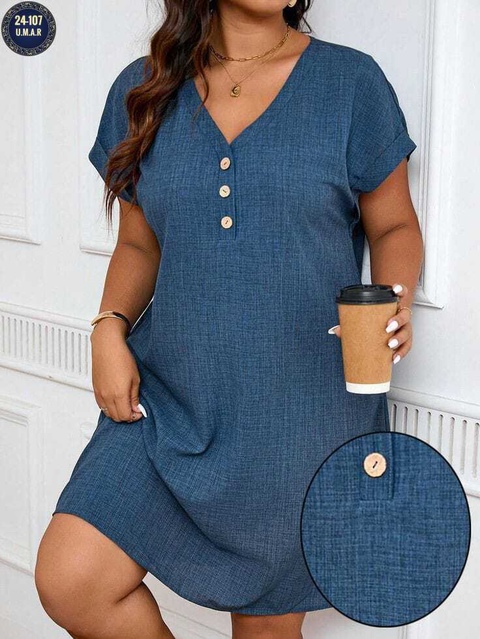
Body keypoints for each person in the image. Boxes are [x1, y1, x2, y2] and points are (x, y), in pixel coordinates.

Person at [34, 1, 424, 638]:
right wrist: (108, 325)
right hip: (170, 399)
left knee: (266, 629)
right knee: (72, 581)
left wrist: (395, 299)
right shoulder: (144, 87)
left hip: (303, 409)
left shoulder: (352, 83)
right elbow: (138, 243)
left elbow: (394, 224)